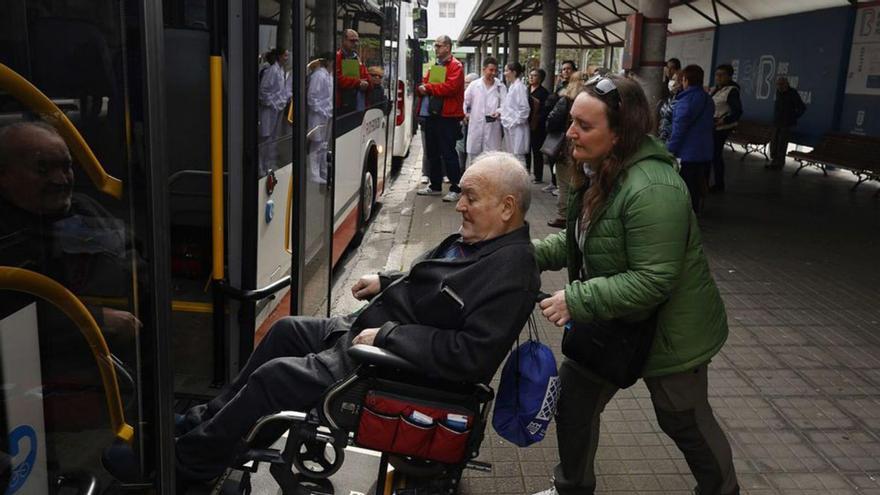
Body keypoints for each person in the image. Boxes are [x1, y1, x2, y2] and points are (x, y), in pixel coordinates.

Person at [174, 152, 540, 485]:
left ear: (507, 207)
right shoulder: (483, 240)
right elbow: (435, 284)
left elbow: (471, 355)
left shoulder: (512, 273)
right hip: (368, 332)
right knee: (284, 330)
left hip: (387, 366)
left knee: (276, 376)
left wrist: (387, 336)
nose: (459, 205)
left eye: (471, 198)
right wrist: (385, 280)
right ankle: (206, 422)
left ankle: (193, 462)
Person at [531, 75, 739, 495]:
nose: (570, 132)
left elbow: (653, 279)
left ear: (620, 132)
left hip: (670, 334)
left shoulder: (653, 188)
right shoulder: (602, 170)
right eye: (572, 120)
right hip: (613, 321)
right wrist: (522, 255)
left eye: (584, 126)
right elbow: (582, 239)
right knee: (575, 404)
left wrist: (577, 298)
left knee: (682, 419)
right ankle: (571, 487)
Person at [415, 35, 465, 203]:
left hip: (447, 116)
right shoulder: (436, 65)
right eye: (435, 46)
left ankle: (456, 187)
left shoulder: (456, 66)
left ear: (448, 47)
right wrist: (423, 86)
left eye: (439, 45)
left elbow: (450, 87)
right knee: (433, 152)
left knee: (448, 153)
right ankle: (435, 186)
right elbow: (428, 83)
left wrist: (427, 87)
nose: (435, 48)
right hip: (433, 115)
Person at [667, 65, 715, 214]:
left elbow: (679, 130)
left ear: (685, 80)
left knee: (685, 185)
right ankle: (694, 211)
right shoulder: (708, 100)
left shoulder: (685, 101)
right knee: (697, 185)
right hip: (704, 151)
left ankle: (685, 215)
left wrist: (669, 150)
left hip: (687, 153)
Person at [544, 70, 587, 228]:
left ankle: (564, 215)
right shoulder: (591, 101)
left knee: (564, 182)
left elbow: (552, 121)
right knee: (580, 180)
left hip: (566, 146)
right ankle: (578, 214)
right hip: (584, 145)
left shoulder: (565, 100)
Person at [542, 60, 577, 196]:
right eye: (563, 69)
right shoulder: (560, 87)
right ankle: (554, 182)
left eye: (569, 69)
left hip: (566, 129)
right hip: (558, 128)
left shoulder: (576, 92)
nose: (566, 71)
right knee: (555, 155)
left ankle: (562, 187)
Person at [463, 57, 505, 168]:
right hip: (476, 126)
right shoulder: (474, 85)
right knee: (474, 158)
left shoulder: (500, 86)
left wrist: (499, 112)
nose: (493, 73)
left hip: (493, 127)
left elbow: (505, 105)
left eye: (496, 71)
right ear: (484, 69)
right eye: (491, 70)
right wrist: (464, 114)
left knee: (491, 159)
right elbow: (464, 101)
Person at [709, 63, 742, 192]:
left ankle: (719, 184)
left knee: (716, 155)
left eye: (722, 75)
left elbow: (738, 111)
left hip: (721, 128)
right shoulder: (716, 89)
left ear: (729, 76)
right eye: (717, 75)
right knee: (712, 154)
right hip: (711, 125)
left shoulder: (732, 91)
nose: (718, 77)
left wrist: (724, 120)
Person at [259, 47, 292, 173]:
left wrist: (284, 99)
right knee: (265, 138)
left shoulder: (281, 70)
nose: (287, 58)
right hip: (269, 110)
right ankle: (261, 166)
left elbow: (280, 91)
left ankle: (269, 164)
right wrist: (273, 103)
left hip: (277, 109)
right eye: (285, 55)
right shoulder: (272, 70)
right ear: (279, 57)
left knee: (273, 138)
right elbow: (263, 91)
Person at [768, 76, 806, 170]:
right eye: (777, 85)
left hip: (786, 123)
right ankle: (774, 160)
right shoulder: (778, 93)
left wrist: (793, 117)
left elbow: (802, 108)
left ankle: (779, 163)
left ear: (786, 84)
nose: (779, 87)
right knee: (774, 143)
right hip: (777, 122)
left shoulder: (792, 93)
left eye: (781, 85)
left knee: (782, 143)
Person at [307, 55, 333, 184]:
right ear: (327, 62)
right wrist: (321, 110)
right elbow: (312, 97)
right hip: (318, 114)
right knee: (316, 144)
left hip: (326, 114)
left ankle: (323, 170)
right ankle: (314, 173)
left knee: (323, 144)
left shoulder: (328, 76)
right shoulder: (318, 75)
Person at [500, 62, 530, 166]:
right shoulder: (513, 86)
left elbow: (524, 109)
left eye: (507, 70)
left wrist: (514, 122)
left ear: (514, 72)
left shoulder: (519, 87)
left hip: (517, 127)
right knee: (513, 155)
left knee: (518, 156)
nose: (505, 73)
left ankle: (521, 180)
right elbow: (509, 107)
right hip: (511, 126)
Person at [336, 29, 371, 113]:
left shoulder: (357, 58)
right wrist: (357, 82)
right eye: (352, 41)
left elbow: (366, 76)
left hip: (358, 104)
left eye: (356, 41)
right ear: (344, 40)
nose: (355, 44)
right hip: (343, 104)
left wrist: (366, 83)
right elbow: (337, 79)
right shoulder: (338, 57)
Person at [526, 68, 550, 183]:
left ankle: (538, 176)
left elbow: (545, 111)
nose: (531, 77)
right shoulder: (526, 90)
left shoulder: (544, 93)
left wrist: (537, 119)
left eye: (534, 75)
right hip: (525, 124)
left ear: (540, 79)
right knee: (525, 150)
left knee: (536, 151)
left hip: (537, 126)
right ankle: (525, 172)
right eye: (530, 75)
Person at [457, 72, 480, 171]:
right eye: (465, 83)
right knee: (461, 152)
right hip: (462, 127)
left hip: (476, 129)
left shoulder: (479, 95)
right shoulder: (460, 94)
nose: (465, 85)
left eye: (468, 83)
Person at [657, 70, 681, 143]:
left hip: (671, 138)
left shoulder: (682, 100)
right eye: (671, 79)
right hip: (663, 135)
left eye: (674, 79)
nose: (671, 82)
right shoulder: (669, 98)